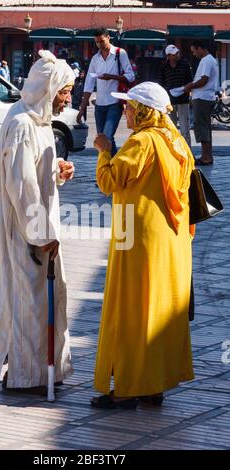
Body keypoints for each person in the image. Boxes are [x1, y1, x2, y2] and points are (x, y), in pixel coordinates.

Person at [0, 50, 75, 394]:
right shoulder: (21, 125)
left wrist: (58, 171)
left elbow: (37, 173)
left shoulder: (39, 122)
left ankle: (43, 371)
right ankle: (25, 376)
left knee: (42, 302)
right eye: (65, 92)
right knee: (27, 303)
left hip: (39, 230)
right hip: (26, 233)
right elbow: (21, 187)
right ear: (49, 89)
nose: (68, 98)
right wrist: (40, 235)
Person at [91, 82, 195, 409]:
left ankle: (127, 387)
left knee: (132, 310)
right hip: (172, 240)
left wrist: (104, 151)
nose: (126, 112)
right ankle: (153, 385)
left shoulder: (142, 141)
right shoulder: (178, 142)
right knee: (160, 312)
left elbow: (110, 181)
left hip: (136, 238)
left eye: (130, 107)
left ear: (145, 111)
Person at [76, 27, 135, 156]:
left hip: (115, 102)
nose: (99, 45)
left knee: (107, 136)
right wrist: (82, 107)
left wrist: (112, 77)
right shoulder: (95, 59)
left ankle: (113, 167)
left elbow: (131, 76)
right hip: (99, 104)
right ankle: (110, 168)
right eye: (96, 42)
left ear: (108, 38)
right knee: (102, 140)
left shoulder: (120, 53)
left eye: (101, 41)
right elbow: (89, 83)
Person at [185, 40, 219, 165]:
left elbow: (204, 80)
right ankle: (208, 156)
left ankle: (206, 157)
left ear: (200, 48)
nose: (194, 54)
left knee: (202, 127)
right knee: (206, 127)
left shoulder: (206, 60)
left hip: (202, 97)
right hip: (205, 97)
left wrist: (190, 86)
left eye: (194, 51)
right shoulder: (211, 60)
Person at [159, 44, 192, 147]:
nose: (177, 55)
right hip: (169, 101)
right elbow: (161, 82)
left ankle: (187, 152)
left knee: (185, 129)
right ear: (168, 56)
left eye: (177, 53)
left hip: (183, 99)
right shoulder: (164, 66)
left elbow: (189, 81)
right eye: (174, 54)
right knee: (170, 128)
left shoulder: (185, 64)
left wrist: (187, 91)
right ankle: (173, 151)